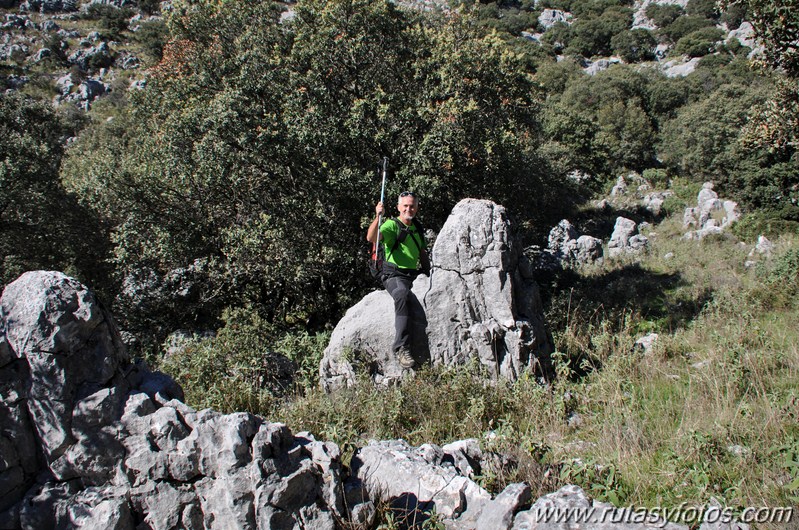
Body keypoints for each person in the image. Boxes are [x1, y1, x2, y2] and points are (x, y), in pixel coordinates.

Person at [366, 191, 431, 369]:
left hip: (412, 273)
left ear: (416, 208)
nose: (408, 209)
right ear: (398, 208)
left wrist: (430, 273)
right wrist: (377, 217)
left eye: (412, 206)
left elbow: (422, 253)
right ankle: (402, 348)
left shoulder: (417, 227)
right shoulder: (391, 225)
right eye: (405, 206)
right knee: (401, 295)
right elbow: (371, 238)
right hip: (393, 274)